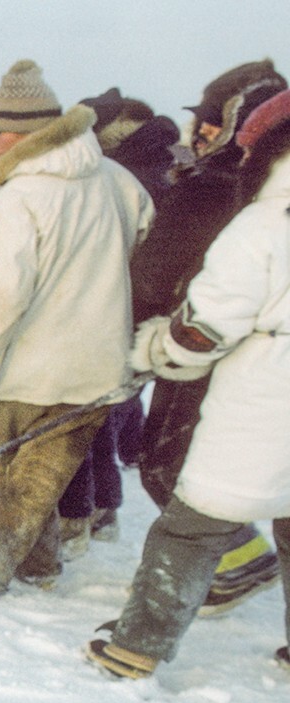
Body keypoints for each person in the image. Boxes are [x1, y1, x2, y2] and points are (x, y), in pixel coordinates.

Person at [87, 89, 290, 678]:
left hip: (263, 398)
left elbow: (205, 328)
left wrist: (158, 349)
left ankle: (135, 647)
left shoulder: (263, 226)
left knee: (190, 526)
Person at [0, 61, 152, 603]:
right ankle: (40, 564)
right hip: (99, 363)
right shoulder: (118, 180)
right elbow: (147, 241)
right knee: (35, 477)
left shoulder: (19, 199)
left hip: (27, 366)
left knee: (24, 478)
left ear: (32, 130)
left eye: (3, 129)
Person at [131, 59, 288, 616]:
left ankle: (237, 567)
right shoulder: (258, 195)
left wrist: (141, 338)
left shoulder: (210, 191)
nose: (200, 137)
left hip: (200, 352)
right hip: (257, 365)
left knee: (169, 465)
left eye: (211, 125)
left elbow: (153, 276)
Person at [53, 88, 181, 555]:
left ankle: (78, 517)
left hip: (114, 311)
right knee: (105, 417)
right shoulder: (154, 166)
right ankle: (103, 510)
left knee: (79, 417)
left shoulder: (123, 174)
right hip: (137, 318)